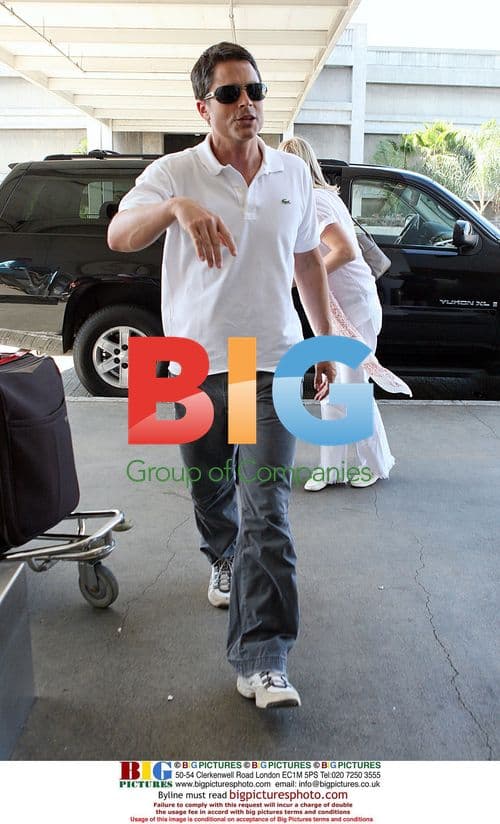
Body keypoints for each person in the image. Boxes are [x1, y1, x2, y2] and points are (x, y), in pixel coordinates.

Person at [108, 43, 335, 709]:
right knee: (211, 483)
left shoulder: (293, 173)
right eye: (231, 94)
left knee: (270, 510)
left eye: (255, 91)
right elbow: (121, 233)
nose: (247, 104)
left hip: (271, 361)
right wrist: (175, 209)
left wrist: (322, 344)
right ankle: (219, 554)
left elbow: (309, 264)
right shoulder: (175, 170)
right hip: (190, 362)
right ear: (203, 105)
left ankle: (264, 659)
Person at [279, 136, 399, 491]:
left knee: (351, 388)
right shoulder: (321, 197)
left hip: (353, 308)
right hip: (343, 307)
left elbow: (345, 251)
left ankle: (374, 464)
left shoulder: (315, 202)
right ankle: (333, 468)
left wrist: (303, 277)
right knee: (337, 387)